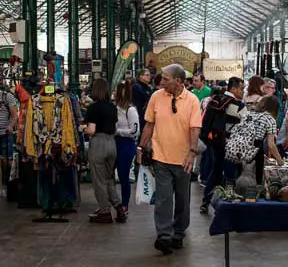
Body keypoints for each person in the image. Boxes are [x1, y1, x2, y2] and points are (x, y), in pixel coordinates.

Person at [137, 64, 202, 254]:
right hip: (161, 157)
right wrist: (141, 146)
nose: (161, 81)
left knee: (182, 200)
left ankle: (178, 232)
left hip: (184, 160)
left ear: (179, 81)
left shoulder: (192, 101)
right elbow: (149, 124)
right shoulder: (156, 97)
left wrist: (191, 152)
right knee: (163, 199)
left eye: (166, 79)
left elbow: (195, 128)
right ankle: (164, 235)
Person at [82, 78, 126, 224]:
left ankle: (105, 211)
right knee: (109, 179)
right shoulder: (112, 107)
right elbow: (114, 128)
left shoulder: (93, 108)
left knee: (99, 181)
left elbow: (91, 130)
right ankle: (119, 207)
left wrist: (82, 128)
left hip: (98, 144)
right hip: (111, 143)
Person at [200, 76, 245, 214]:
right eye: (241, 88)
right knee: (231, 173)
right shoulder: (238, 106)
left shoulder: (215, 100)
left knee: (216, 170)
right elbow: (244, 126)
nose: (243, 92)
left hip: (215, 142)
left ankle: (205, 201)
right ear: (234, 88)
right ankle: (227, 205)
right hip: (231, 144)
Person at [246, 95, 284, 184]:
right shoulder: (270, 120)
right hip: (256, 146)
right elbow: (271, 144)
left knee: (244, 174)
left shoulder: (250, 113)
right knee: (256, 177)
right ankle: (254, 193)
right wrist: (279, 160)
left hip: (243, 145)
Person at [114, 80, 139, 213]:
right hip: (116, 143)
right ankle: (116, 204)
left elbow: (135, 131)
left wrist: (118, 132)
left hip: (126, 144)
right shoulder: (116, 108)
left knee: (124, 176)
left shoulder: (131, 110)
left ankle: (124, 205)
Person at [132, 68, 153, 133]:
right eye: (147, 75)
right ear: (141, 76)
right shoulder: (136, 86)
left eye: (149, 75)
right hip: (140, 115)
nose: (149, 77)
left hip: (147, 115)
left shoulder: (148, 87)